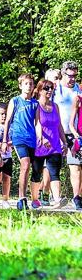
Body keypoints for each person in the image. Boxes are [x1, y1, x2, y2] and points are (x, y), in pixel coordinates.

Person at [1, 73, 39, 210]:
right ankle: (21, 198)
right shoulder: (15, 101)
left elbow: (37, 123)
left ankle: (34, 198)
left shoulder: (36, 103)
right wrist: (5, 140)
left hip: (32, 139)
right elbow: (8, 121)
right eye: (26, 84)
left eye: (31, 84)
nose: (29, 86)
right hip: (19, 137)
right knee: (25, 164)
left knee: (33, 168)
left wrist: (41, 138)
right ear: (20, 86)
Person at [33, 79, 68, 208]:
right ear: (40, 90)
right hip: (40, 144)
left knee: (54, 172)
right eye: (46, 88)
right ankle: (35, 199)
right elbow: (36, 123)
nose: (49, 91)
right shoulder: (36, 105)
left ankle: (57, 199)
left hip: (54, 145)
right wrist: (42, 137)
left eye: (51, 88)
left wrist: (64, 142)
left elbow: (59, 126)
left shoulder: (55, 106)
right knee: (37, 172)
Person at [54, 61, 82, 210]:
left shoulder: (79, 90)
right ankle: (47, 195)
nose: (73, 79)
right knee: (52, 168)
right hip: (56, 134)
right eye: (70, 75)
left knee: (76, 166)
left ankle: (77, 197)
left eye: (75, 76)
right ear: (63, 73)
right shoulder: (55, 88)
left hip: (74, 134)